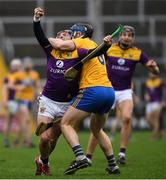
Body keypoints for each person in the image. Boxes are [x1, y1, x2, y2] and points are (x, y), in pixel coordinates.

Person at [33, 7, 114, 176]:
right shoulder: (51, 51)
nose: (63, 35)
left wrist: (106, 46)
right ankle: (43, 159)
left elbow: (95, 52)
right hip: (48, 99)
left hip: (67, 104)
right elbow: (40, 37)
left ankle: (44, 162)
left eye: (66, 33)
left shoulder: (79, 52)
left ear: (72, 39)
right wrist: (36, 20)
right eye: (60, 34)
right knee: (42, 137)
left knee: (50, 138)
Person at [49, 24, 120, 175]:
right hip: (108, 92)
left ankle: (80, 156)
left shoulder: (82, 42)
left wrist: (49, 38)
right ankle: (113, 165)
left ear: (79, 34)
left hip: (92, 91)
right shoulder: (94, 45)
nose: (71, 35)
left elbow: (59, 44)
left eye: (73, 33)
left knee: (66, 123)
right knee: (96, 129)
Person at [85, 26, 160, 165]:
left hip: (125, 91)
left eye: (130, 35)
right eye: (124, 34)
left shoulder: (137, 53)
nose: (127, 37)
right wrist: (103, 45)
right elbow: (94, 58)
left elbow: (155, 71)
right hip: (108, 89)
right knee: (97, 125)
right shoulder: (110, 48)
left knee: (126, 118)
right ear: (119, 36)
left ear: (133, 38)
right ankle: (88, 156)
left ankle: (122, 153)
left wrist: (154, 67)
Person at [11, 57, 41, 148]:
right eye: (26, 63)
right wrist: (20, 87)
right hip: (20, 100)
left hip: (30, 101)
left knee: (23, 122)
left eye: (29, 63)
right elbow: (10, 85)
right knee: (26, 120)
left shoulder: (34, 74)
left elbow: (37, 86)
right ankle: (27, 141)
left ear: (31, 64)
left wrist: (39, 94)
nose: (28, 65)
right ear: (23, 64)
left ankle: (16, 141)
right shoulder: (18, 74)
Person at [2, 58, 22, 147]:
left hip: (15, 101)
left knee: (10, 121)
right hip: (14, 101)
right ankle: (14, 141)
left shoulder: (9, 76)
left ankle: (9, 140)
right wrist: (4, 101)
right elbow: (5, 89)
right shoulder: (15, 76)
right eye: (16, 66)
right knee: (16, 121)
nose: (16, 67)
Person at [144, 73, 164, 140]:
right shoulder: (148, 82)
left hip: (157, 102)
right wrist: (146, 95)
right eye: (150, 73)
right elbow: (147, 92)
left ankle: (155, 136)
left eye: (153, 73)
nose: (151, 75)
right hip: (149, 103)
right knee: (148, 119)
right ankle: (159, 131)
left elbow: (163, 92)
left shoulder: (159, 81)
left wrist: (163, 101)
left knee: (156, 120)